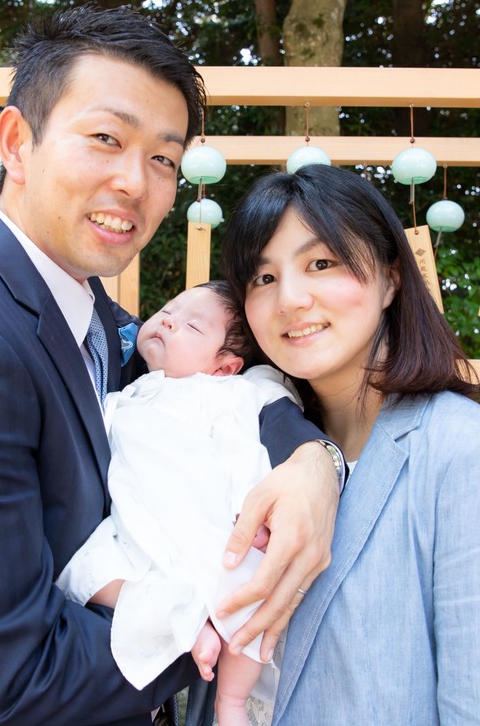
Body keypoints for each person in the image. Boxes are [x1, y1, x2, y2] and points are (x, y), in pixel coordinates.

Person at [0, 7, 342, 726]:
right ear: (16, 142)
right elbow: (10, 677)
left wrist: (315, 463)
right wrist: (222, 617)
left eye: (162, 159)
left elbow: (240, 391)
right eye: (106, 139)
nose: (135, 182)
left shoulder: (106, 321)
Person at [222, 164, 480, 724]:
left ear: (391, 278)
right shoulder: (243, 438)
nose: (290, 299)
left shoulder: (472, 458)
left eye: (321, 263)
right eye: (263, 278)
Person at [58, 282, 293, 726]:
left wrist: (250, 503)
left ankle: (232, 701)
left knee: (247, 591)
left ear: (225, 366)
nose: (168, 319)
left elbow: (243, 447)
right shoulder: (122, 397)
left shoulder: (221, 394)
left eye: (191, 325)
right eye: (168, 308)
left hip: (204, 523)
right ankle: (185, 628)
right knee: (87, 572)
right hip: (138, 528)